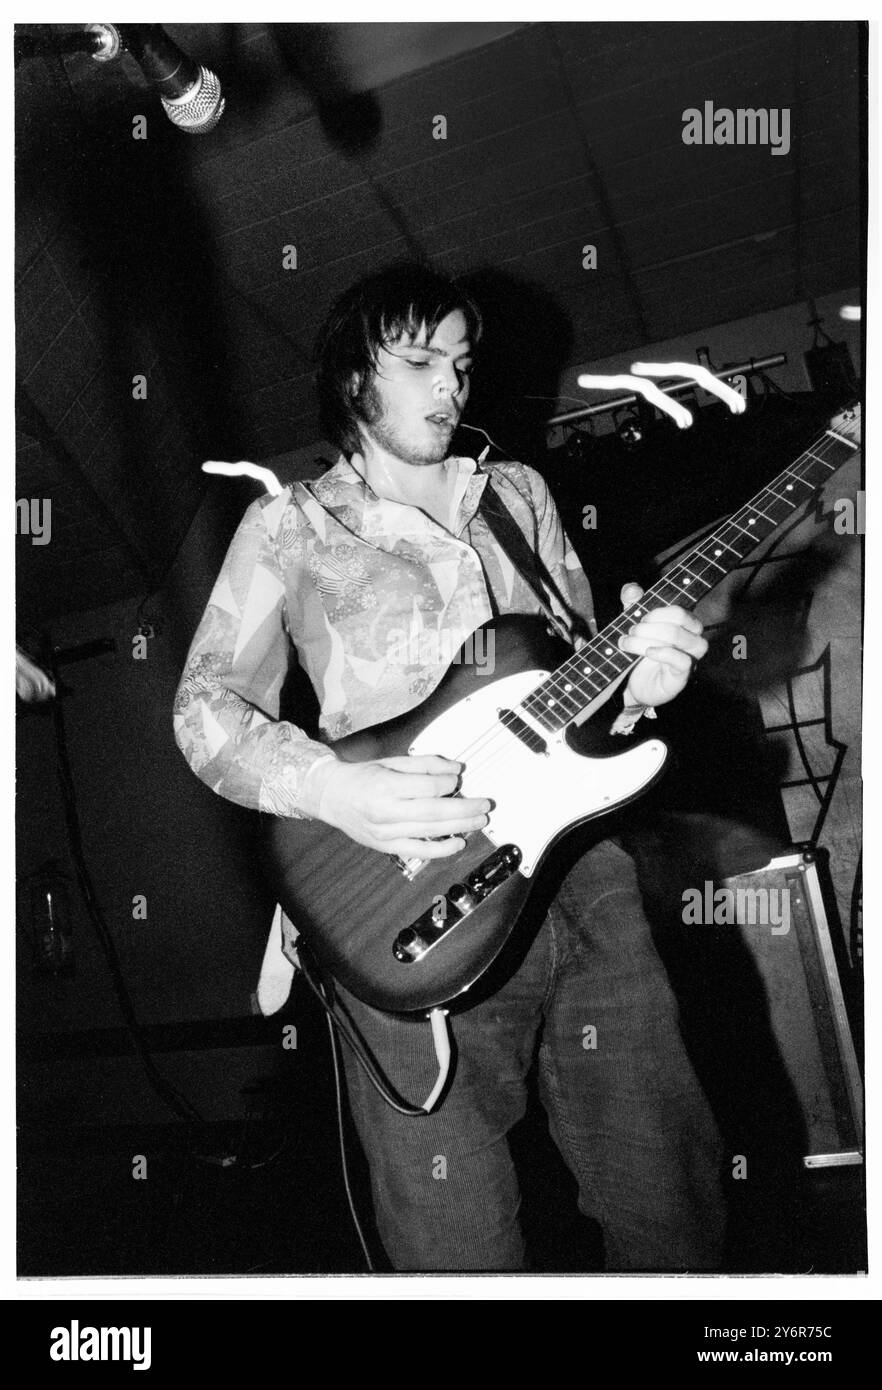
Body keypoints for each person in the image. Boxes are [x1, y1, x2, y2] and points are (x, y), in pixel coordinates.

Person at [173, 261, 725, 1272]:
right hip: (403, 902)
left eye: (462, 364)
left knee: (671, 1200)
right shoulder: (291, 525)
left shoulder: (519, 494)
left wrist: (641, 685)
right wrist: (336, 788)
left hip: (583, 876)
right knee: (456, 1245)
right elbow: (205, 708)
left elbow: (585, 670)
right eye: (420, 360)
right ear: (352, 380)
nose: (451, 387)